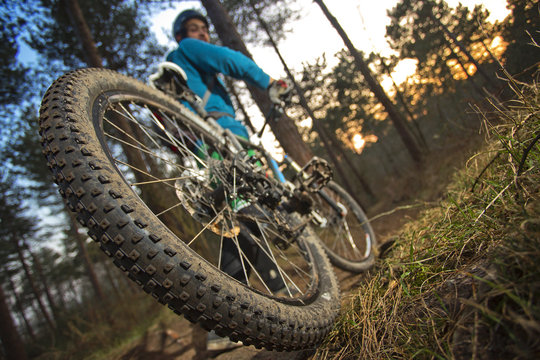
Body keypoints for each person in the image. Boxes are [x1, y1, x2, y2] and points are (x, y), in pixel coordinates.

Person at [166, 9, 290, 351]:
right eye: (193, 30)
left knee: (237, 215)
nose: (202, 34)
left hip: (203, 144)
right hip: (221, 136)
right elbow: (231, 59)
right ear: (181, 36)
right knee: (241, 212)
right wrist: (268, 82)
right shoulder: (188, 50)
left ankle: (266, 294)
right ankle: (226, 317)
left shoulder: (177, 70)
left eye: (204, 29)